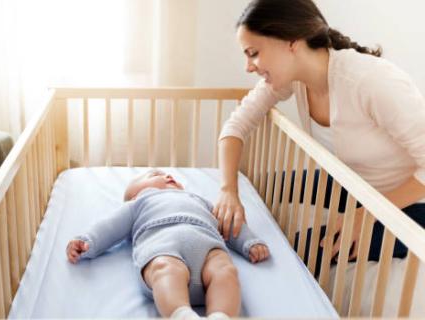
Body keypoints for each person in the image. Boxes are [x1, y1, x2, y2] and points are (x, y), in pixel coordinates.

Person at [214, 0, 425, 270]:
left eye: (253, 53)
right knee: (260, 187)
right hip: (354, 184)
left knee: (297, 249)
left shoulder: (369, 81)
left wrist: (367, 215)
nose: (249, 66)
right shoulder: (295, 77)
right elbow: (236, 125)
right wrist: (228, 190)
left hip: (407, 201)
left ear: (291, 41)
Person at [66, 169, 270, 319]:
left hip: (208, 245)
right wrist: (87, 241)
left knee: (225, 271)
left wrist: (249, 242)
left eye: (165, 174)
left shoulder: (199, 200)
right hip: (163, 246)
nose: (166, 175)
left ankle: (221, 315)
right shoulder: (139, 204)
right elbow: (110, 226)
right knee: (165, 268)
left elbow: (227, 222)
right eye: (154, 175)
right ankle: (180, 314)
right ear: (136, 193)